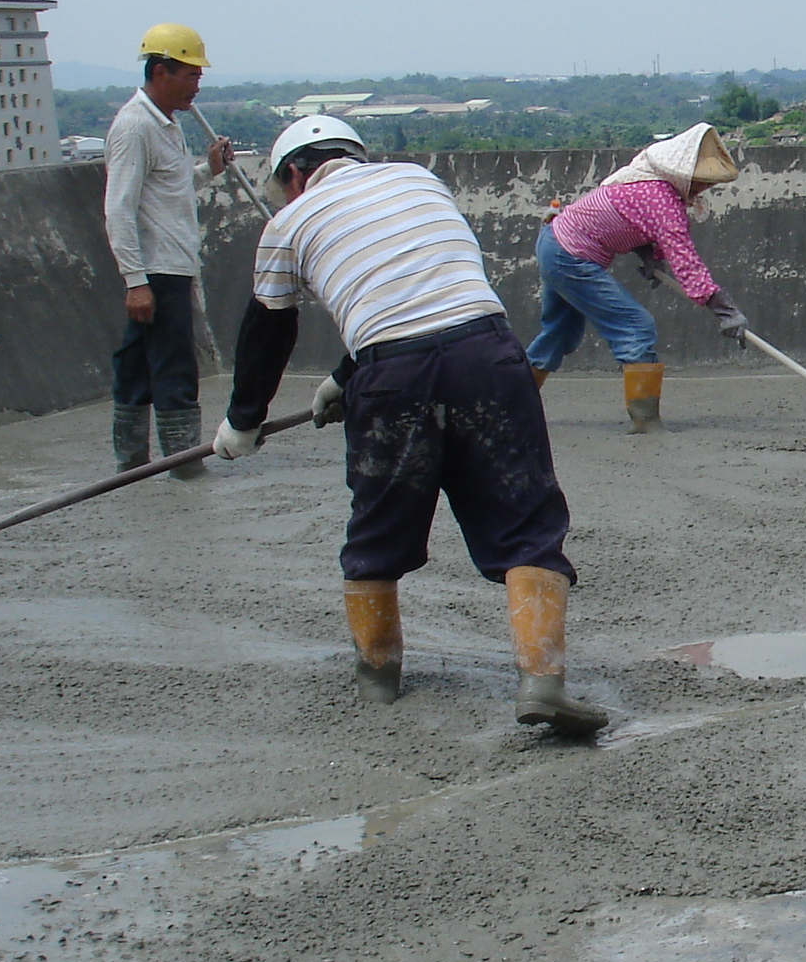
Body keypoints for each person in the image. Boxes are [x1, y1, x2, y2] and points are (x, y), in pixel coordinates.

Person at [211, 115, 607, 740]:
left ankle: (377, 677)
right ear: (356, 157)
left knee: (379, 523)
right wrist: (345, 377)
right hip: (491, 358)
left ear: (293, 173)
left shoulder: (287, 221)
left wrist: (243, 420)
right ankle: (543, 681)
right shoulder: (420, 182)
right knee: (527, 522)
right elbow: (424, 285)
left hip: (393, 377)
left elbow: (269, 328)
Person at [526, 123, 751, 431]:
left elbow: (628, 221)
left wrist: (648, 254)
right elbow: (687, 263)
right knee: (635, 326)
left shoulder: (645, 182)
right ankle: (646, 420)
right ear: (681, 173)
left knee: (560, 332)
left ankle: (510, 405)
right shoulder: (661, 200)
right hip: (570, 256)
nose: (701, 189)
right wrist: (725, 311)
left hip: (554, 242)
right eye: (698, 182)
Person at [103, 22, 235, 472]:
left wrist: (209, 169)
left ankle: (133, 466)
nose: (196, 86)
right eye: (191, 75)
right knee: (174, 368)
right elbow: (119, 208)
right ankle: (183, 464)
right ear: (161, 72)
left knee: (137, 365)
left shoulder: (167, 124)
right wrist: (136, 281)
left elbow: (170, 188)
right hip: (156, 271)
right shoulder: (135, 126)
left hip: (170, 265)